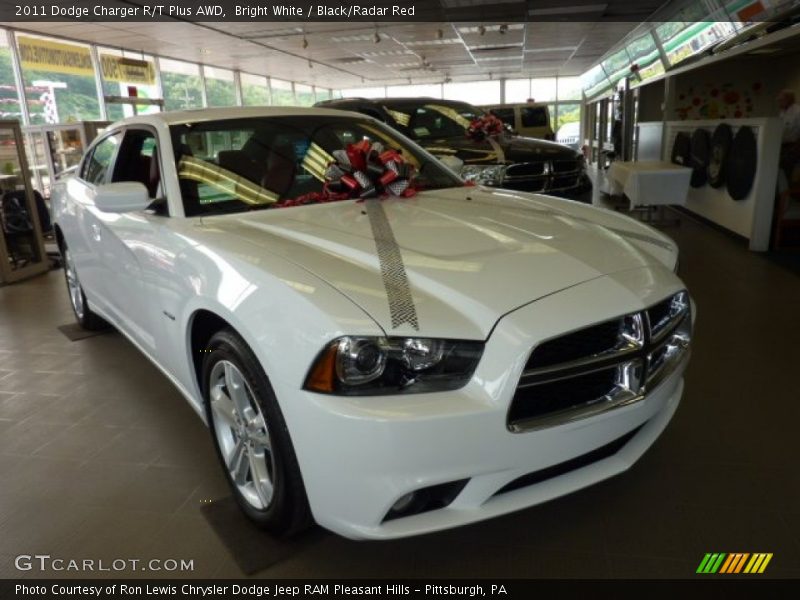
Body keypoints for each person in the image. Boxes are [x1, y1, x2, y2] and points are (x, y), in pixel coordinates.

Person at [778, 89, 800, 180]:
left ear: (788, 99)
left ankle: (787, 192)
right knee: (780, 171)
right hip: (782, 146)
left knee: (786, 173)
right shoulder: (782, 112)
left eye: (780, 100)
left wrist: (795, 148)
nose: (779, 102)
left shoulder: (798, 112)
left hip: (793, 147)